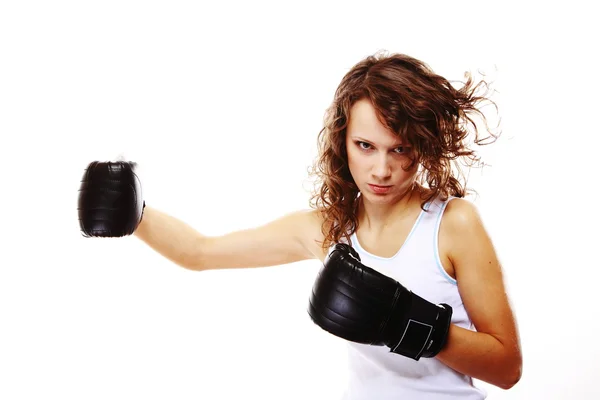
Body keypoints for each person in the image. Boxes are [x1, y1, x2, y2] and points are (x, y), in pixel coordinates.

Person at [78, 51, 523, 399]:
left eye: (400, 149)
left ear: (423, 146)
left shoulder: (452, 224)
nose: (382, 170)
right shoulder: (329, 229)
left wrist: (406, 322)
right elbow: (201, 252)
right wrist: (135, 214)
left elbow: (507, 368)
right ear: (342, 141)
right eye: (366, 146)